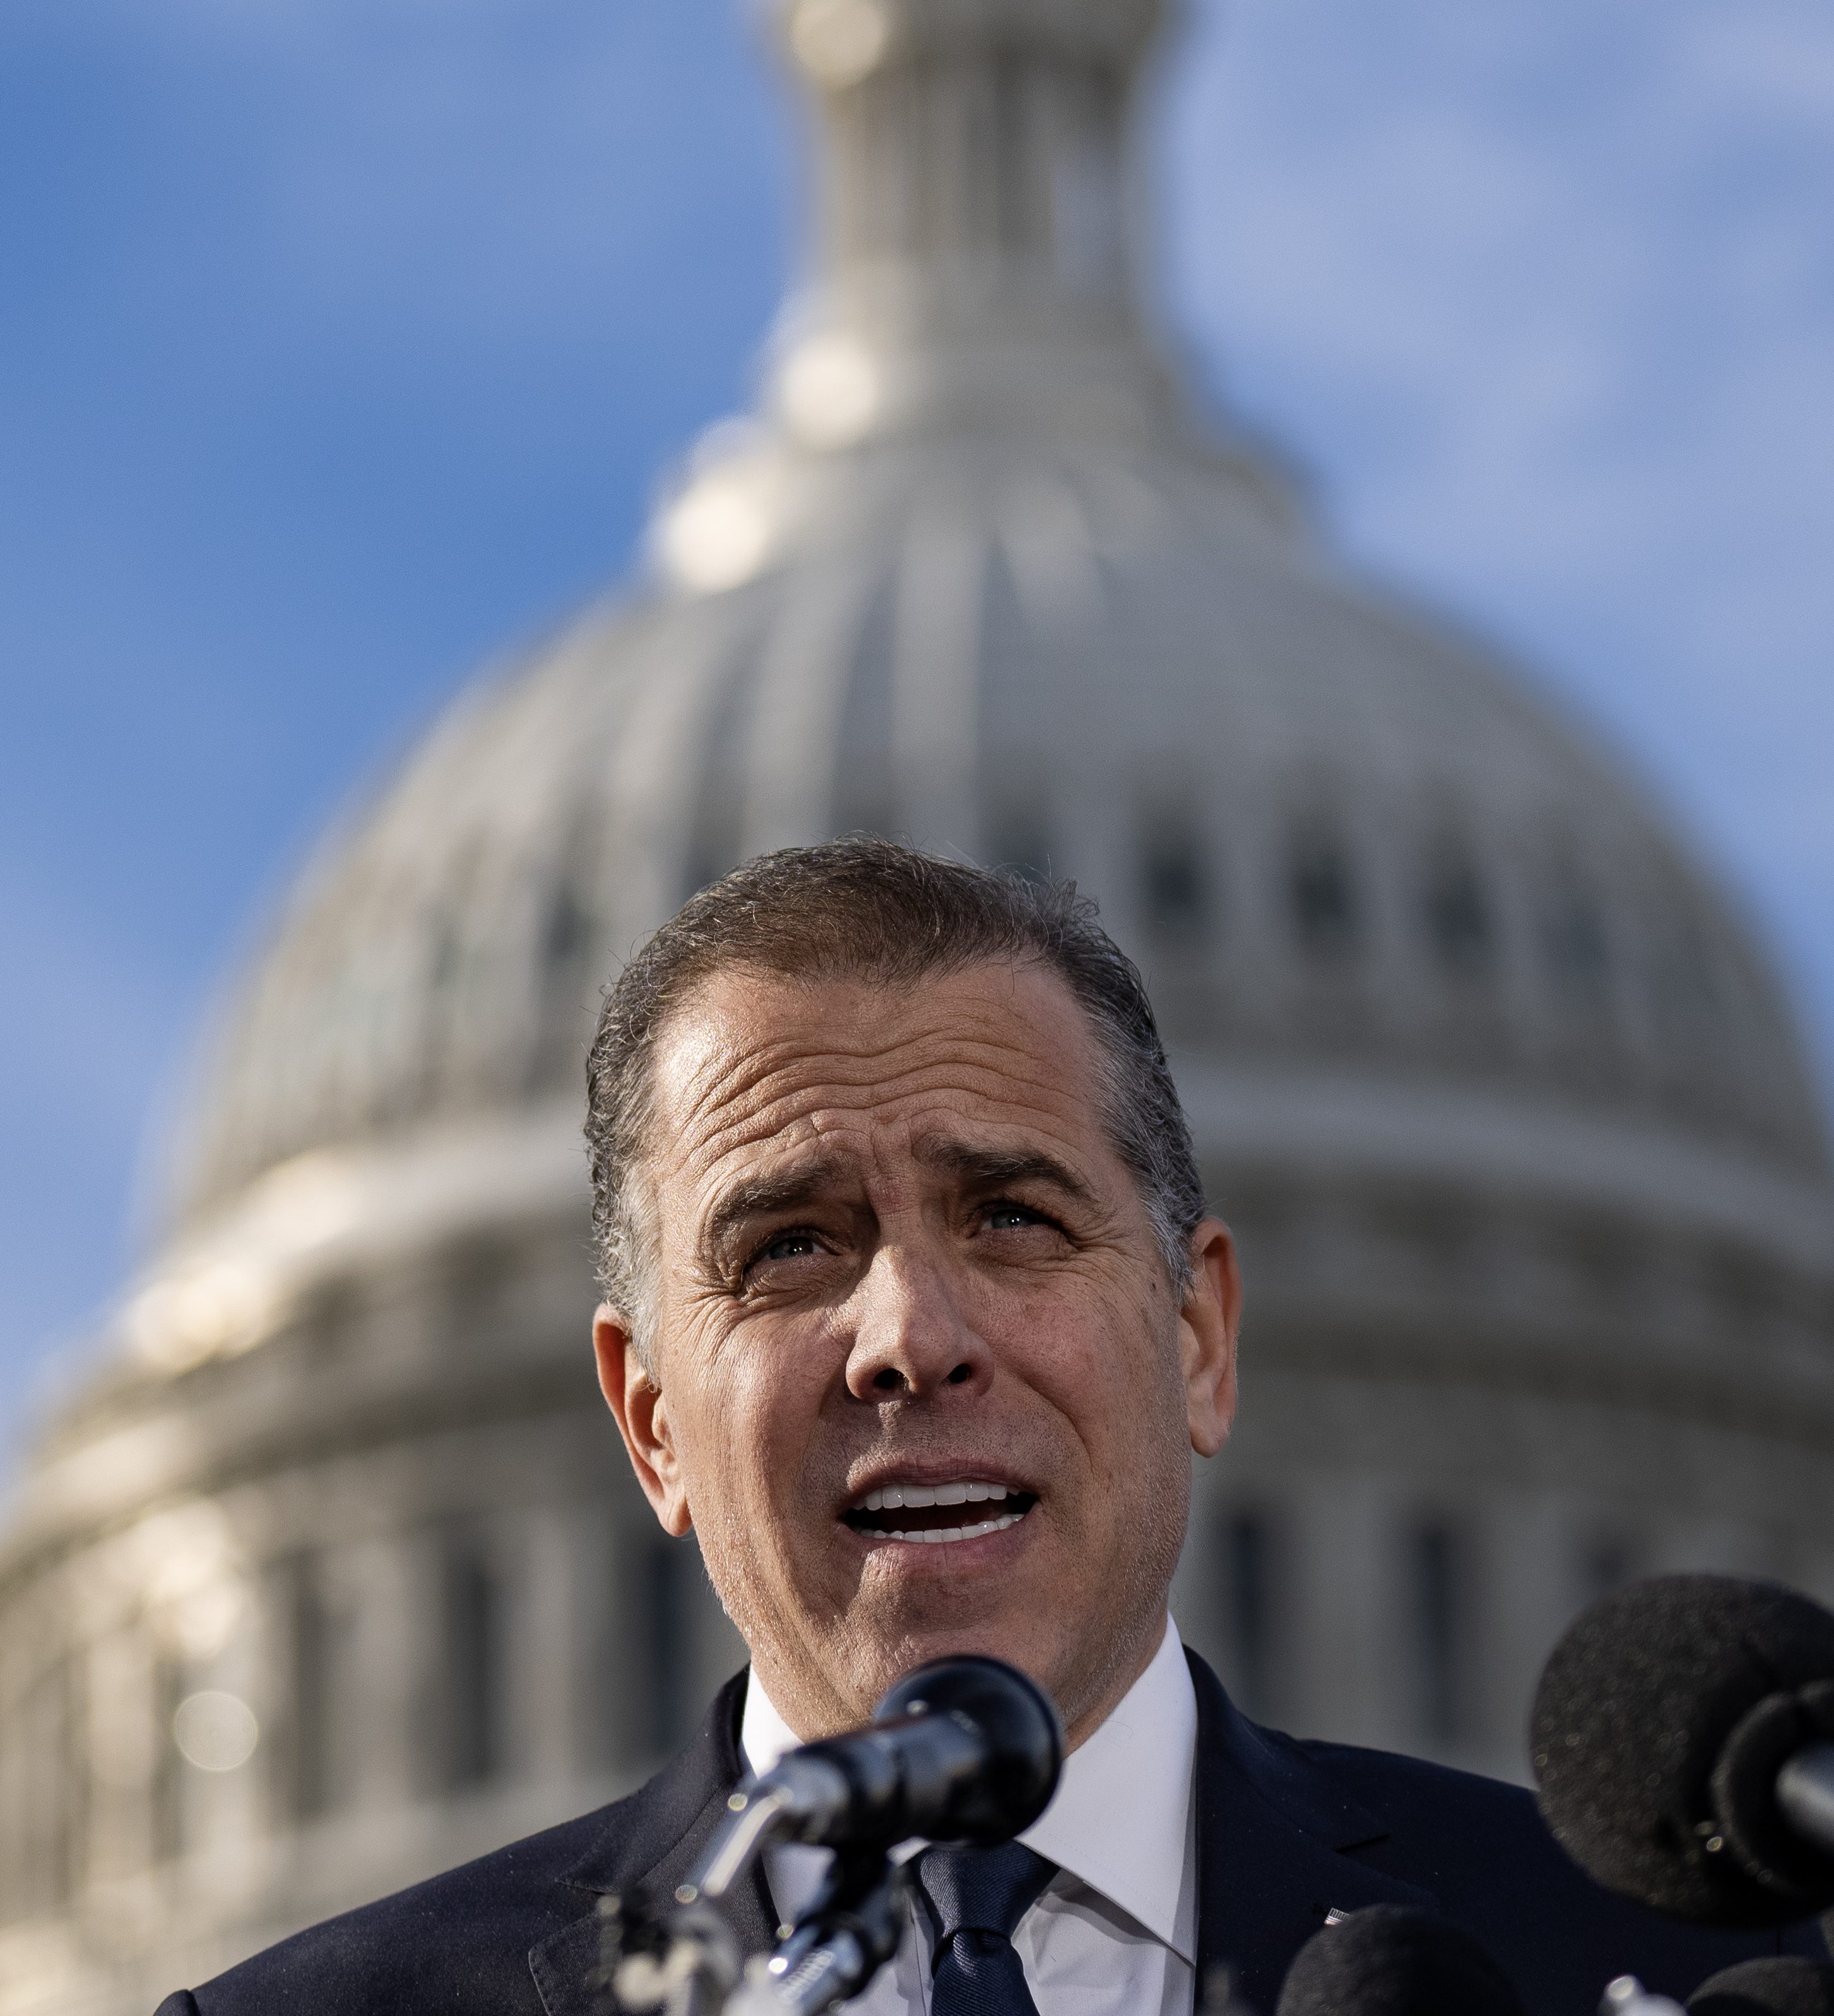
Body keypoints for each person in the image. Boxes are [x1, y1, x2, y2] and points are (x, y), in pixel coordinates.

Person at [158, 841, 1746, 2016]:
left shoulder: (1656, 1966)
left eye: (1012, 1216)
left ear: (1199, 1336)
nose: (912, 1337)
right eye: (789, 1246)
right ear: (648, 1421)